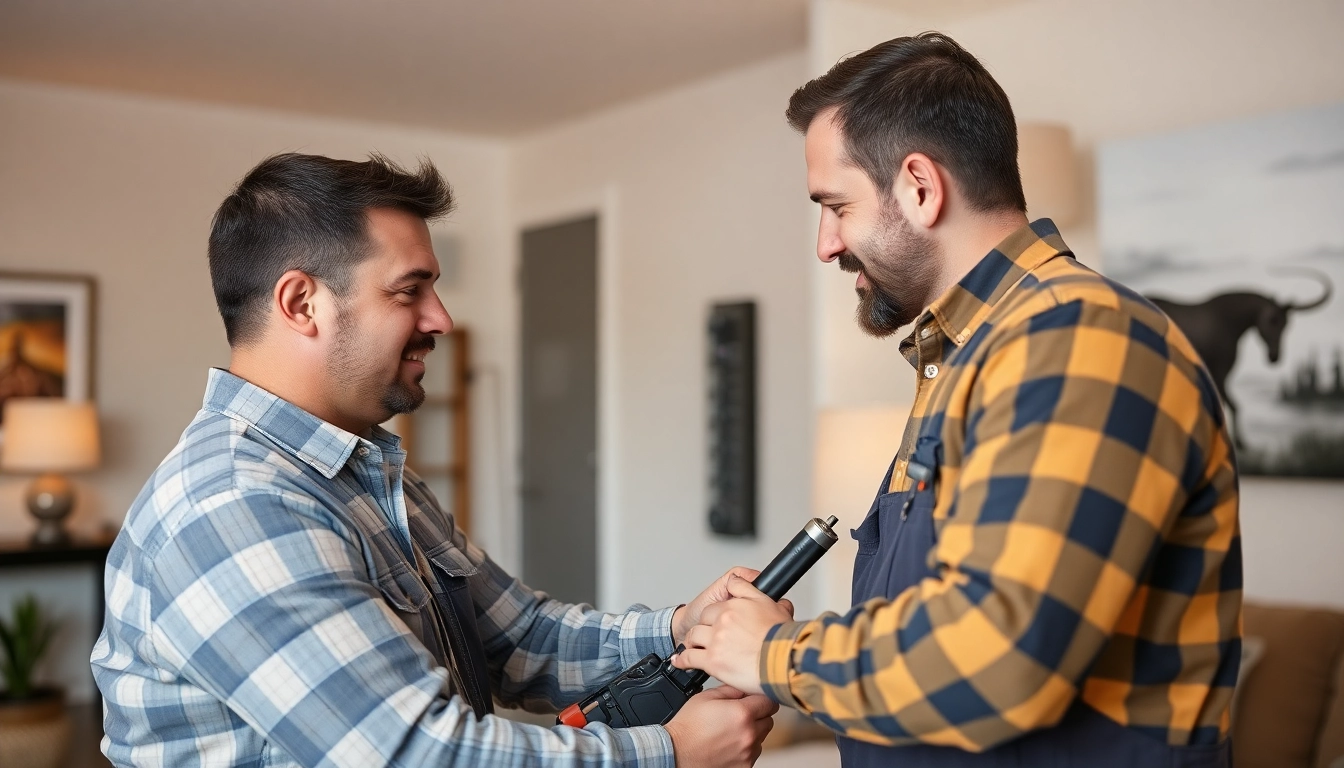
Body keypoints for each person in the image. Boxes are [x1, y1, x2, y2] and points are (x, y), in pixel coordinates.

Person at [91, 153, 780, 768]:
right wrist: (673, 753)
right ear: (302, 302)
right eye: (407, 290)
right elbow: (417, 754)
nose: (441, 318)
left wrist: (681, 625)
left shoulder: (369, 475)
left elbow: (521, 639)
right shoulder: (236, 504)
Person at [673, 32, 1241, 767]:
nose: (825, 244)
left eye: (836, 205)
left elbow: (1003, 657)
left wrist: (775, 654)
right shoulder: (974, 354)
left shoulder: (1078, 337)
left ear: (919, 186)